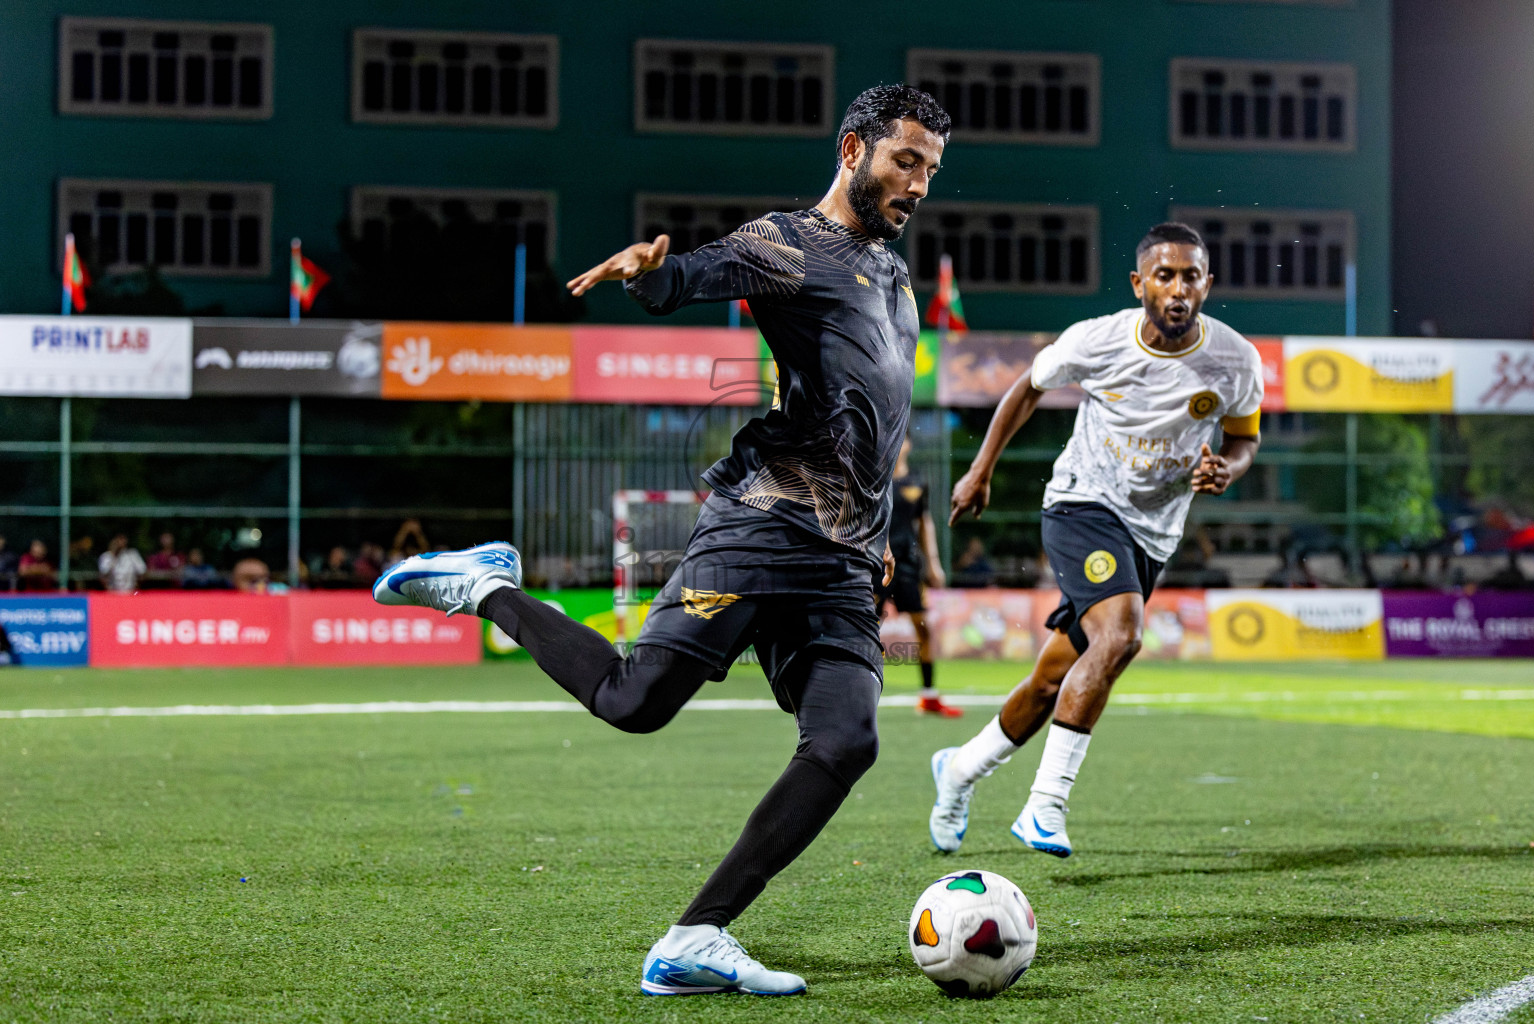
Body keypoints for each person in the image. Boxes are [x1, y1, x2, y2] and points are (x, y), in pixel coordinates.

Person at [376, 84, 950, 997]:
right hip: (763, 527)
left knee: (845, 740)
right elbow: (696, 274)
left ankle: (695, 937)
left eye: (929, 169)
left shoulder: (895, 272)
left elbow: (873, 412)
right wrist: (652, 272)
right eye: (904, 161)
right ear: (853, 151)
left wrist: (875, 524)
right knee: (634, 702)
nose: (917, 184)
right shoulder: (790, 243)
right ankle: (484, 587)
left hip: (843, 557)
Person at [929, 222, 1264, 859]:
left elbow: (1245, 436)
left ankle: (959, 770)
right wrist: (980, 470)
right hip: (1082, 503)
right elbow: (1027, 387)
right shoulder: (1098, 339)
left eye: (1191, 276)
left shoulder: (1236, 359)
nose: (1177, 288)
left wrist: (1231, 465)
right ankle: (1044, 807)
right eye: (1164, 275)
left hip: (1155, 531)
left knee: (1053, 679)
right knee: (1123, 635)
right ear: (1139, 284)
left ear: (1207, 285)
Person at [878, 435, 960, 716]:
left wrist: (933, 563)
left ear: (910, 445)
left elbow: (924, 522)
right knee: (864, 629)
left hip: (908, 565)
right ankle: (857, 691)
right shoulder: (874, 478)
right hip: (876, 564)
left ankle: (928, 696)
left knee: (923, 628)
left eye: (903, 440)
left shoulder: (917, 481)